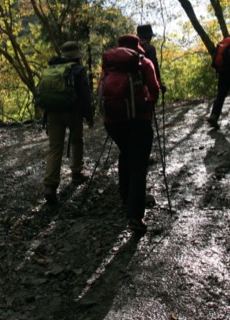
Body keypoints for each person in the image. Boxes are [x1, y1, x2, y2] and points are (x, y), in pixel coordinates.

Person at [99, 34, 161, 233]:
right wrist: (150, 103)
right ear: (138, 46)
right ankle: (135, 215)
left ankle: (125, 196)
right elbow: (154, 88)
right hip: (138, 120)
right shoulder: (144, 63)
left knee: (125, 153)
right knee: (138, 163)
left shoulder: (109, 66)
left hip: (112, 121)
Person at [42, 41, 94, 205]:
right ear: (78, 56)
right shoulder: (79, 70)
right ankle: (77, 172)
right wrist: (89, 116)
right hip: (73, 113)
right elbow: (85, 95)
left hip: (52, 113)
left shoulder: (51, 69)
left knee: (55, 148)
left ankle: (50, 186)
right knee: (77, 141)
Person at [137, 24, 167, 95]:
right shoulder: (150, 48)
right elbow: (154, 67)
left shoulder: (132, 48)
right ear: (149, 37)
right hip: (145, 88)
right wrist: (160, 84)